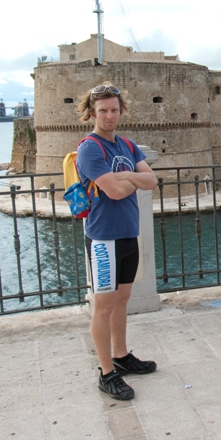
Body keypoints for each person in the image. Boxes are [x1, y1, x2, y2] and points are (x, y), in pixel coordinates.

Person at [75, 83, 158, 400]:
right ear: (92, 113)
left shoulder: (127, 144)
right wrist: (129, 180)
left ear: (121, 111)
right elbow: (112, 191)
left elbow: (150, 181)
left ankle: (121, 356)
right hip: (103, 239)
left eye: (114, 109)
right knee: (104, 308)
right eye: (103, 111)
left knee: (123, 301)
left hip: (127, 235)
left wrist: (126, 179)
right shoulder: (90, 148)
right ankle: (106, 372)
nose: (109, 115)